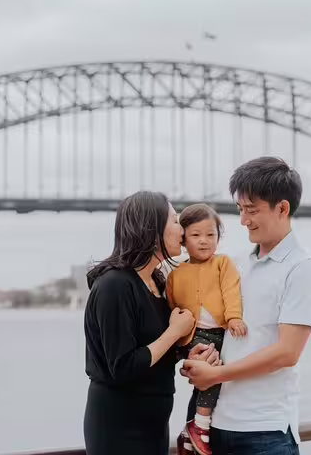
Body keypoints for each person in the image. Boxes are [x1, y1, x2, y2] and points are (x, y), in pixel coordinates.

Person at [182, 157, 311, 455]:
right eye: (241, 210)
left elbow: (288, 353)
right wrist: (198, 355)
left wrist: (216, 375)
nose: (244, 219)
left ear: (282, 208)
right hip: (216, 426)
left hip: (264, 432)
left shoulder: (302, 268)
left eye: (252, 210)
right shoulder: (237, 265)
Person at [83, 191, 220, 455]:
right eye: (174, 220)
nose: (183, 229)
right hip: (118, 426)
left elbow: (152, 349)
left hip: (155, 425)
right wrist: (173, 333)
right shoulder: (115, 285)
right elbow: (122, 366)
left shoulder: (158, 282)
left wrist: (187, 353)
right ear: (151, 227)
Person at [166, 203, 247, 455]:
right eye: (196, 235)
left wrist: (233, 317)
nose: (204, 241)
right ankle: (200, 426)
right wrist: (180, 343)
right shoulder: (175, 274)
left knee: (215, 375)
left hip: (221, 332)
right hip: (192, 336)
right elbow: (172, 307)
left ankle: (190, 432)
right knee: (210, 369)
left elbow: (231, 290)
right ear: (183, 239)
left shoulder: (223, 264)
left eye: (210, 235)